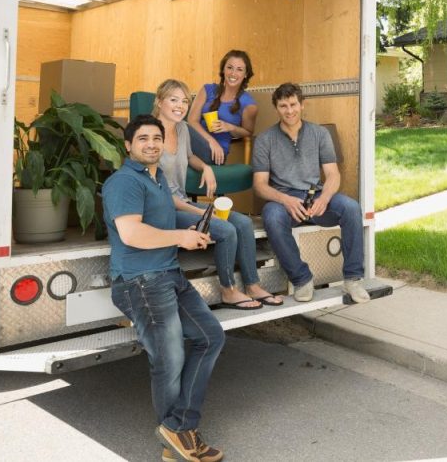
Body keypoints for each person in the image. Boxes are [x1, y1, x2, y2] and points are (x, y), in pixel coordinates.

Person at [103, 114, 225, 462]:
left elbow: (163, 221)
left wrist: (192, 232)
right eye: (143, 139)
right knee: (169, 359)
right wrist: (179, 237)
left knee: (210, 337)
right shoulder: (124, 182)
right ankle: (180, 436)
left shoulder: (156, 179)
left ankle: (178, 427)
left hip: (168, 275)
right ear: (128, 145)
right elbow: (131, 234)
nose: (152, 144)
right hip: (141, 281)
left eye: (157, 138)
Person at [154, 79, 283, 310]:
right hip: (163, 209)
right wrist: (201, 213)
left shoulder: (182, 129)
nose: (180, 106)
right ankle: (228, 290)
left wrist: (206, 167)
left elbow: (189, 156)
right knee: (225, 229)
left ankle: (252, 285)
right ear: (159, 101)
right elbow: (159, 195)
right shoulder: (150, 136)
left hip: (182, 201)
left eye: (184, 101)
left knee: (243, 222)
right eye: (174, 100)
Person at [252, 82, 370, 304]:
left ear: (302, 105)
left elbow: (333, 174)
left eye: (293, 104)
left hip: (315, 196)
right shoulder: (264, 140)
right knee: (272, 216)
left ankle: (353, 279)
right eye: (283, 106)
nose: (289, 111)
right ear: (276, 108)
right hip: (285, 199)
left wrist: (324, 198)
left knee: (351, 208)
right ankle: (302, 280)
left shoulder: (319, 133)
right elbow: (259, 185)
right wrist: (285, 199)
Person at [188, 50, 258, 165]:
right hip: (197, 144)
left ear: (246, 74)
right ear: (223, 69)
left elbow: (248, 132)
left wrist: (230, 127)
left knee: (179, 127)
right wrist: (211, 141)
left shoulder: (249, 104)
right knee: (178, 126)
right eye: (230, 67)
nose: (233, 73)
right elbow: (192, 121)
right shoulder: (207, 89)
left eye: (239, 69)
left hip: (216, 154)